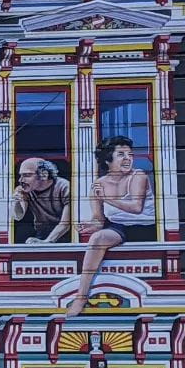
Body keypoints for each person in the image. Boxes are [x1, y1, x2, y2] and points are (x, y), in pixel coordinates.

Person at [66, 136, 156, 317]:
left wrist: (107, 198)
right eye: (121, 154)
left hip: (144, 227)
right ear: (108, 159)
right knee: (97, 238)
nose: (128, 159)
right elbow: (99, 220)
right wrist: (90, 226)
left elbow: (136, 208)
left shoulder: (138, 176)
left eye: (130, 154)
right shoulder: (99, 184)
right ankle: (81, 297)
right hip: (117, 227)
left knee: (102, 236)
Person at [11, 158, 71, 243]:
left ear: (44, 174)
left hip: (64, 234)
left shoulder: (64, 187)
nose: (20, 180)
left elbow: (65, 223)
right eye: (21, 175)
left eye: (27, 175)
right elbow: (18, 216)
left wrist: (47, 241)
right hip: (42, 233)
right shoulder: (26, 190)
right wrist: (16, 201)